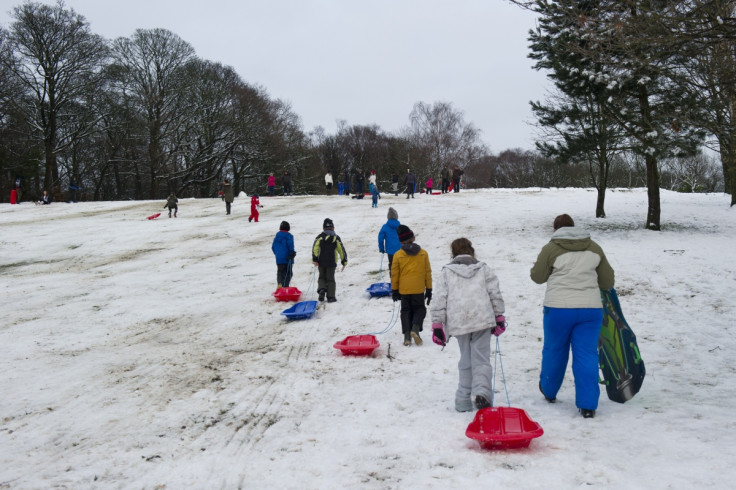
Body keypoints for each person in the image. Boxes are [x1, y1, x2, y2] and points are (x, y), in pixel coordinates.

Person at [530, 213, 615, 419]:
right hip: (590, 310)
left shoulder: (551, 248)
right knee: (586, 354)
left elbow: (537, 277)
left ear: (555, 229)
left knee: (554, 350)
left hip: (558, 309)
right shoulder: (594, 248)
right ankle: (588, 405)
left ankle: (549, 391)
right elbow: (607, 281)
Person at [430, 238, 506, 412]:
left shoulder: (447, 272)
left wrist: (437, 323)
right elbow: (494, 293)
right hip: (481, 318)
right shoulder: (484, 269)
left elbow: (439, 298)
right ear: (472, 251)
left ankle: (463, 399)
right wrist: (499, 315)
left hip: (459, 321)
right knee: (481, 358)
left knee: (466, 358)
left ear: (453, 253)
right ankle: (482, 393)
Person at [391, 224, 432, 346]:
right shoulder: (423, 253)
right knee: (420, 309)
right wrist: (429, 288)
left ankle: (407, 336)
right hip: (418, 288)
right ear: (413, 238)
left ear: (400, 241)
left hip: (404, 289)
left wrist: (394, 290)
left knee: (405, 311)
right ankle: (415, 329)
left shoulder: (398, 255)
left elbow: (394, 274)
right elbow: (427, 272)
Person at [312, 218, 348, 303]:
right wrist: (344, 261)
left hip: (321, 261)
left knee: (322, 277)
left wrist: (315, 259)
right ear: (333, 228)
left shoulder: (319, 237)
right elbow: (341, 250)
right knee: (330, 279)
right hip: (331, 262)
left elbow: (315, 248)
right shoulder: (336, 238)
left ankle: (321, 291)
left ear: (323, 228)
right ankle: (331, 297)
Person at [272, 221, 296, 288]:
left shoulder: (277, 236)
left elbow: (273, 247)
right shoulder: (289, 236)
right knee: (288, 273)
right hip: (287, 257)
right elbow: (290, 245)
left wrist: (277, 254)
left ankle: (280, 283)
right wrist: (292, 253)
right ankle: (285, 286)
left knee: (280, 272)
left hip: (279, 258)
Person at [378, 207, 401, 275]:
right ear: (396, 217)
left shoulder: (385, 227)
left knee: (392, 264)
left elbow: (380, 239)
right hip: (401, 249)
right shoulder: (400, 226)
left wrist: (381, 248)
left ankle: (393, 279)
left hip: (390, 250)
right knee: (400, 264)